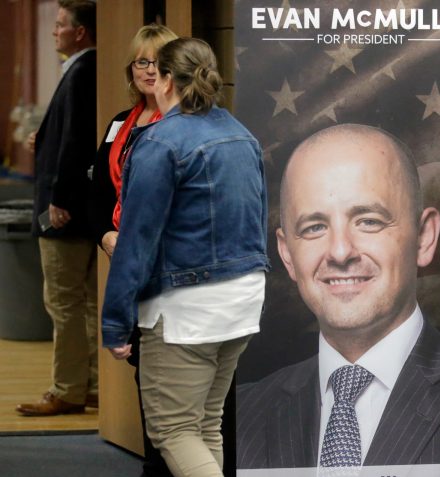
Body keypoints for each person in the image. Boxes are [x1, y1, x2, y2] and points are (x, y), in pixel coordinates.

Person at [236, 124, 440, 469]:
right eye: (314, 227)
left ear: (424, 238)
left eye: (369, 221)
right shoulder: (239, 414)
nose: (340, 251)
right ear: (287, 255)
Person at [101, 38, 269, 477]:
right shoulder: (239, 132)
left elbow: (136, 242)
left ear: (167, 79)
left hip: (186, 307)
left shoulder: (161, 142)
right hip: (243, 296)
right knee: (203, 425)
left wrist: (115, 322)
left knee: (174, 432)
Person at [88, 24, 177, 477]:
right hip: (126, 265)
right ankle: (154, 465)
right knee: (144, 369)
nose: (150, 70)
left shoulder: (186, 124)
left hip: (171, 270)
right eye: (142, 61)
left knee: (172, 385)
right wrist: (106, 236)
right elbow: (100, 192)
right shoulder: (121, 122)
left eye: (160, 62)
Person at [16, 0, 98, 418]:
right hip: (77, 205)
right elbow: (66, 134)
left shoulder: (83, 71)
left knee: (63, 301)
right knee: (85, 300)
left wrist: (60, 199)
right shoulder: (82, 71)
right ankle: (93, 384)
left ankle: (66, 389)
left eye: (61, 25)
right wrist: (41, 140)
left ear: (80, 32)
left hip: (63, 208)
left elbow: (78, 142)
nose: (54, 32)